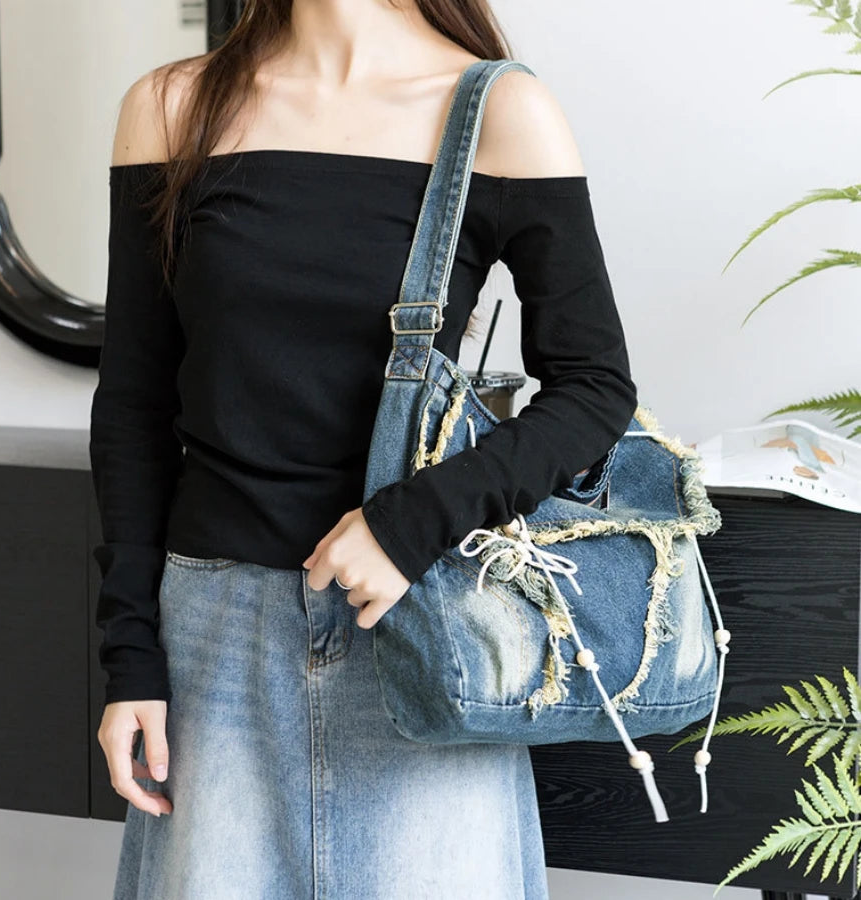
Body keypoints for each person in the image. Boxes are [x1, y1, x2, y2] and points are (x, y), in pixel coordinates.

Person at [90, 1, 639, 897]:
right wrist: (131, 659)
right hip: (214, 643)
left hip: (423, 627)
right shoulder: (171, 108)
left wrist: (407, 525)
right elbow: (133, 407)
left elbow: (594, 388)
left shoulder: (499, 111)